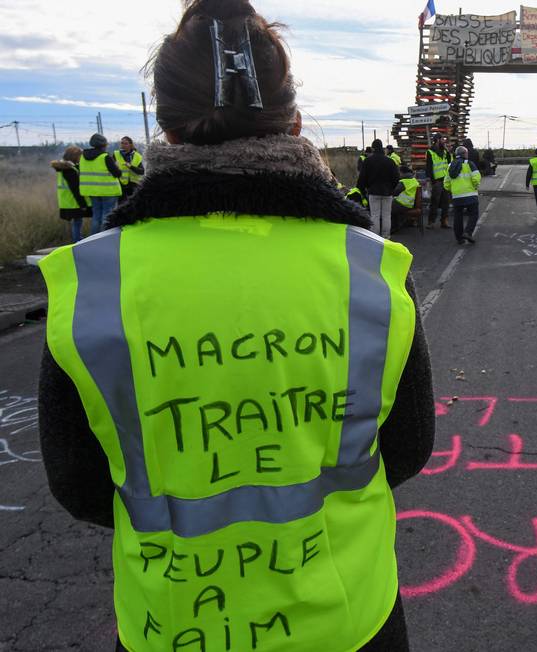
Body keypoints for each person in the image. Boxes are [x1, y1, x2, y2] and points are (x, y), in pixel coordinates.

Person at [36, 3, 434, 652]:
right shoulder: (370, 270)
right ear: (294, 122)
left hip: (173, 626)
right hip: (348, 620)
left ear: (164, 126)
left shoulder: (90, 283)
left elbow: (77, 487)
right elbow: (409, 446)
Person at [80, 132, 123, 234]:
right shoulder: (105, 157)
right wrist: (117, 165)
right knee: (107, 216)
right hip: (108, 192)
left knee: (96, 217)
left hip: (92, 192)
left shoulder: (83, 157)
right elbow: (117, 173)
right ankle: (105, 239)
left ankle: (93, 239)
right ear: (104, 145)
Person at [357, 138, 400, 238]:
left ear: (373, 148)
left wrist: (365, 189)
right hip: (387, 192)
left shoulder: (368, 161)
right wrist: (391, 189)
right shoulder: (390, 161)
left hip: (373, 192)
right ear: (382, 148)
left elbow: (362, 178)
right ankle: (386, 237)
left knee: (375, 215)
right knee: (386, 215)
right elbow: (396, 178)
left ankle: (375, 237)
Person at [51, 145, 92, 242]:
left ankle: (77, 240)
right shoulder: (69, 170)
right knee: (77, 222)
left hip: (67, 201)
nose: (81, 158)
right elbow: (75, 189)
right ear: (74, 156)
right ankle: (77, 241)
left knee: (76, 222)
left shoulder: (64, 168)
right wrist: (83, 204)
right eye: (79, 156)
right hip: (74, 202)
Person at [445, 145, 482, 244]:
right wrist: (475, 186)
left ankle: (459, 238)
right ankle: (468, 232)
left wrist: (452, 190)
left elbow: (446, 183)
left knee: (458, 216)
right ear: (464, 154)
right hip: (470, 195)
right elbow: (476, 177)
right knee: (474, 214)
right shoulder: (469, 164)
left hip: (457, 196)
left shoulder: (450, 166)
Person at [426, 133, 452, 228]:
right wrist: (432, 181)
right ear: (437, 140)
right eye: (442, 139)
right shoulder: (430, 152)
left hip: (445, 180)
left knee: (446, 201)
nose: (444, 141)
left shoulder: (444, 151)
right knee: (435, 202)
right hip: (437, 181)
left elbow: (449, 162)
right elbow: (429, 167)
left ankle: (444, 221)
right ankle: (431, 222)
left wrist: (448, 151)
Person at [391, 165, 421, 230]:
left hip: (402, 203)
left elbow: (394, 192)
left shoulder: (404, 181)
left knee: (387, 208)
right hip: (410, 204)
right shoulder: (414, 180)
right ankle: (402, 223)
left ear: (402, 172)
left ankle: (394, 227)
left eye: (398, 172)